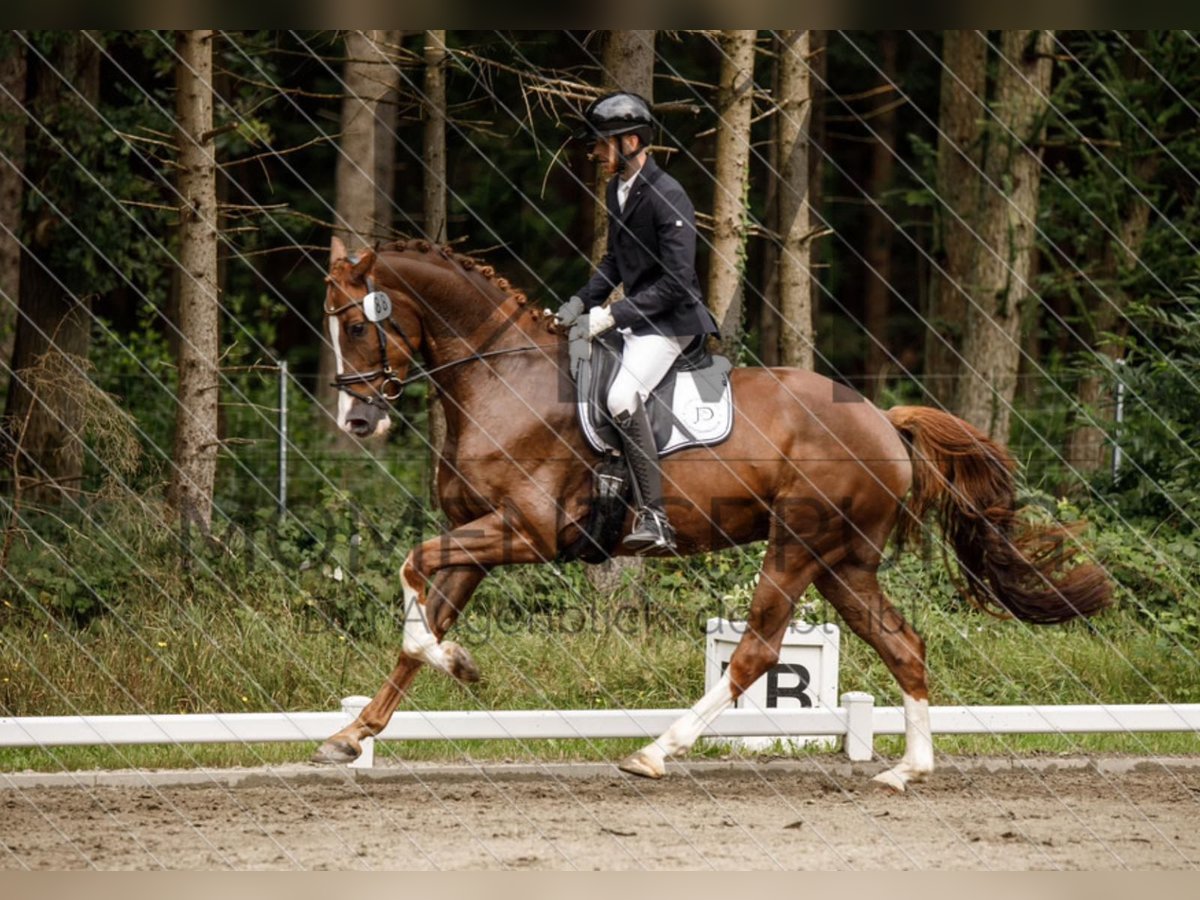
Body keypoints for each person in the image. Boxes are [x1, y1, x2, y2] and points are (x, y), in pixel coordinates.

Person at [555, 91, 719, 554]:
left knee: (622, 394)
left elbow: (677, 282)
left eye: (602, 145)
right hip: (639, 318)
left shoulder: (668, 195)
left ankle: (656, 516)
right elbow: (614, 262)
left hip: (673, 321)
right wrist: (577, 305)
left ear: (630, 141)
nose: (596, 154)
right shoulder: (618, 189)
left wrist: (611, 315)